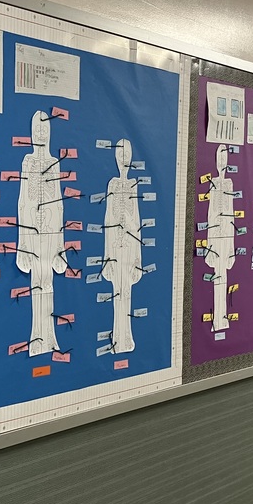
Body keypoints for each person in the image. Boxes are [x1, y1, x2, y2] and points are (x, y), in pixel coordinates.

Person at [17, 111, 68, 356]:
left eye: (44, 130)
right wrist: (22, 244)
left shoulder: (54, 162)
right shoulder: (27, 161)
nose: (40, 133)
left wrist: (60, 245)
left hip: (50, 231)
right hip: (33, 232)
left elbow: (58, 203)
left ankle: (49, 336)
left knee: (47, 283)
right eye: (37, 129)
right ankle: (38, 337)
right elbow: (22, 201)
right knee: (36, 283)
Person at [102, 139, 142, 353]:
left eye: (127, 154)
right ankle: (118, 338)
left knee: (127, 293)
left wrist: (138, 260)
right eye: (121, 154)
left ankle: (126, 337)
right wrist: (106, 256)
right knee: (118, 293)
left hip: (129, 246)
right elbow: (108, 220)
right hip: (115, 247)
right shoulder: (113, 184)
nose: (124, 159)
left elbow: (137, 221)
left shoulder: (133, 185)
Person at [205, 144, 235, 331]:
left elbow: (231, 215)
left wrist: (231, 248)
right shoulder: (213, 182)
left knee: (223, 276)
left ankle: (222, 317)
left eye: (225, 157)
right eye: (220, 157)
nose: (222, 162)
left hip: (226, 236)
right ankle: (217, 319)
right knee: (218, 276)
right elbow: (210, 214)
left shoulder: (229, 183)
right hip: (216, 235)